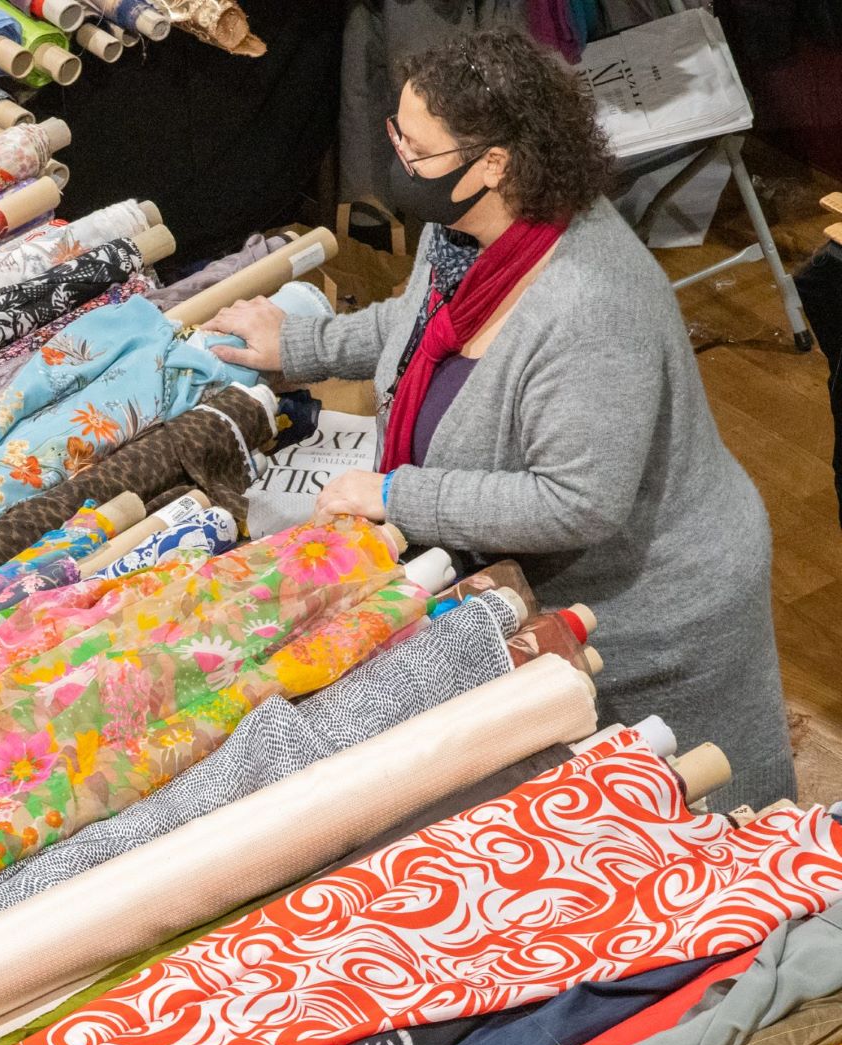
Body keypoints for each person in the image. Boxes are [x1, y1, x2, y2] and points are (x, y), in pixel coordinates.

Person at [204, 27, 794, 808]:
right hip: (552, 580)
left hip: (652, 610)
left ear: (495, 164)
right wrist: (302, 344)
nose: (397, 164)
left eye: (416, 150)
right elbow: (421, 329)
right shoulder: (466, 233)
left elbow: (576, 499)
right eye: (396, 136)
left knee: (688, 813)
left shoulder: (590, 307)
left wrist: (394, 496)